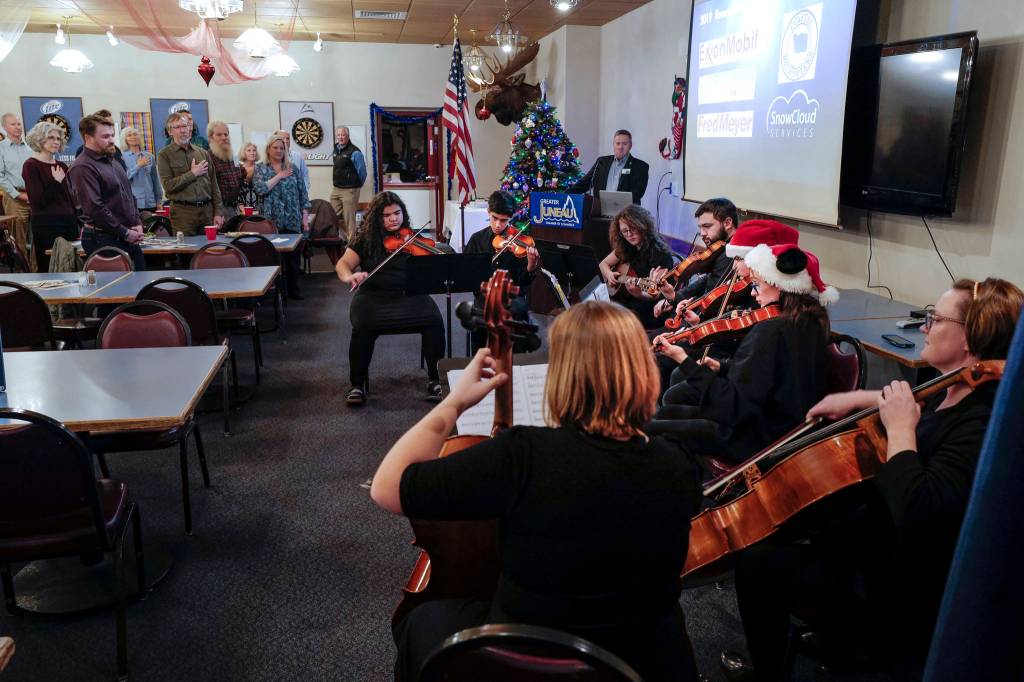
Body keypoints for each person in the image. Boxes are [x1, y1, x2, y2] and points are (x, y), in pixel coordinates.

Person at [370, 300, 704, 682]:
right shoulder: (678, 465)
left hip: (528, 660)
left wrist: (456, 400)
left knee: (422, 620)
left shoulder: (523, 455)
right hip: (639, 664)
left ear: (560, 374)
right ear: (643, 372)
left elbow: (386, 487)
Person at [723, 277, 1023, 682]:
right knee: (792, 524)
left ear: (970, 338)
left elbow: (919, 510)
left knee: (758, 565)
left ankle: (773, 671)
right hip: (873, 540)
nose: (924, 327)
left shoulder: (979, 420)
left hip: (895, 585)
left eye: (935, 318)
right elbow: (919, 408)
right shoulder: (950, 386)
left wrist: (900, 430)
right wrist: (861, 398)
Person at [650, 243, 837, 464]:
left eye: (756, 285)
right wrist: (722, 367)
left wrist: (682, 359)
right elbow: (771, 374)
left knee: (653, 429)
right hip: (784, 424)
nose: (752, 292)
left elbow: (732, 407)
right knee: (667, 413)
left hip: (756, 436)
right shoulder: (810, 319)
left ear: (778, 284)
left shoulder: (769, 330)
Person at [334, 191, 446, 406]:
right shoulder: (365, 240)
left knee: (434, 321)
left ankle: (435, 379)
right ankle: (356, 384)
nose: (394, 218)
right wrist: (350, 276)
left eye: (397, 213)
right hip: (373, 297)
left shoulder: (411, 238)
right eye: (387, 215)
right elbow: (342, 265)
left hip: (410, 295)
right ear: (377, 217)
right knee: (362, 326)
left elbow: (435, 261)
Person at [67, 114, 145, 271]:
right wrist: (125, 232)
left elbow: (129, 195)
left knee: (139, 286)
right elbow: (95, 208)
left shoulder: (112, 161)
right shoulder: (82, 167)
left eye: (112, 136)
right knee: (119, 292)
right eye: (105, 136)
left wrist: (136, 222)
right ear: (88, 138)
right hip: (103, 238)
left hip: (125, 235)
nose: (111, 140)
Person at [464, 190, 539, 350]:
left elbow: (523, 283)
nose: (498, 225)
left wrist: (530, 266)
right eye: (494, 218)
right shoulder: (477, 240)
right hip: (484, 295)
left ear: (510, 218)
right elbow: (467, 274)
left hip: (512, 296)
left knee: (518, 311)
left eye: (504, 220)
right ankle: (479, 359)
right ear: (488, 212)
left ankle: (518, 363)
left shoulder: (520, 242)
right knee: (478, 315)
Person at [651, 197, 740, 321]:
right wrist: (674, 296)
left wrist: (673, 297)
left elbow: (709, 300)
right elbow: (706, 280)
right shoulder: (721, 247)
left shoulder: (732, 253)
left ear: (728, 223)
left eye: (707, 226)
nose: (702, 233)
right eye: (700, 227)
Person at [598, 204, 673, 329]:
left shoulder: (659, 253)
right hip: (626, 298)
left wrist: (638, 293)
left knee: (610, 321)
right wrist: (610, 275)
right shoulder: (626, 246)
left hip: (651, 307)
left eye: (632, 229)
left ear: (643, 226)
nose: (629, 235)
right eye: (624, 231)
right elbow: (603, 264)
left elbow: (656, 294)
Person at [254, 134, 310, 299]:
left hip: (292, 219)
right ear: (268, 149)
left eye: (281, 148)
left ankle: (293, 290)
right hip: (271, 222)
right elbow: (260, 189)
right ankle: (275, 292)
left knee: (293, 260)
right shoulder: (261, 168)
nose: (279, 151)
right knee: (273, 258)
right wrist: (279, 176)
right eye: (275, 148)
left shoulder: (294, 169)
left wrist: (305, 217)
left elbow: (303, 195)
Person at [22, 122, 78, 272]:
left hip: (69, 223)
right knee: (51, 269)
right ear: (40, 139)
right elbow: (38, 201)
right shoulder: (31, 165)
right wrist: (56, 182)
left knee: (74, 267)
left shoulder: (62, 166)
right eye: (50, 137)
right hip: (47, 224)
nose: (55, 141)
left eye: (58, 138)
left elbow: (69, 197)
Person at [157, 111, 223, 236]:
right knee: (186, 253)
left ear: (190, 128)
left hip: (207, 212)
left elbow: (214, 185)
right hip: (183, 214)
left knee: (210, 252)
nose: (183, 130)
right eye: (177, 127)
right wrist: (193, 174)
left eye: (185, 126)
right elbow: (168, 187)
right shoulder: (164, 155)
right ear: (170, 132)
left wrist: (218, 212)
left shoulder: (203, 153)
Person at [568, 129, 649, 204]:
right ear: (613, 145)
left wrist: (616, 203)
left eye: (624, 144)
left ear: (630, 145)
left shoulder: (641, 166)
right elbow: (585, 182)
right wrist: (563, 195)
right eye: (618, 143)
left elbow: (638, 193)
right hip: (599, 211)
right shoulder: (601, 162)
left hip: (626, 214)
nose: (620, 147)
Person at [0, 113, 34, 271]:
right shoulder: (1, 148)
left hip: (33, 196)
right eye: (13, 124)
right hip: (14, 197)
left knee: (36, 238)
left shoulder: (30, 148)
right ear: (5, 127)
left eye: (19, 124)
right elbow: (0, 176)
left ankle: (37, 272)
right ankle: (23, 276)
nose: (18, 127)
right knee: (18, 239)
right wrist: (18, 194)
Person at [330, 126, 366, 241]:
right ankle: (344, 240)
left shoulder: (355, 152)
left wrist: (356, 186)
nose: (340, 137)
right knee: (331, 217)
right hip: (336, 189)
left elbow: (362, 172)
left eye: (343, 135)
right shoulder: (335, 148)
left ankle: (352, 246)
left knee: (349, 220)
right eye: (338, 135)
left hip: (350, 190)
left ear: (348, 136)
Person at [120, 127, 162, 212]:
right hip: (133, 203)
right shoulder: (122, 157)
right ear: (125, 140)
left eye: (135, 134)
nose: (133, 137)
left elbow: (155, 181)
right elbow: (123, 179)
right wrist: (138, 166)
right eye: (129, 135)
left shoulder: (149, 156)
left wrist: (158, 200)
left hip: (151, 202)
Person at [207, 121, 243, 221]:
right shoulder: (207, 157)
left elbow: (241, 177)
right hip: (218, 211)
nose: (224, 137)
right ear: (211, 137)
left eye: (226, 134)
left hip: (234, 208)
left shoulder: (232, 156)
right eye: (219, 135)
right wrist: (217, 212)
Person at [272, 129, 311, 193]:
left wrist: (304, 191)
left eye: (288, 139)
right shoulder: (271, 158)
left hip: (296, 195)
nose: (286, 141)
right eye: (283, 138)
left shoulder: (298, 156)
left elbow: (305, 175)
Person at [238, 142, 261, 213]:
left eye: (254, 150)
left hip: (258, 207)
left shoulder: (261, 168)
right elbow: (236, 190)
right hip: (241, 207)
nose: (252, 153)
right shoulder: (238, 169)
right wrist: (240, 206)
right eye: (249, 150)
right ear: (243, 152)